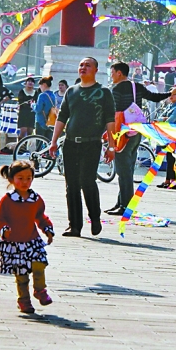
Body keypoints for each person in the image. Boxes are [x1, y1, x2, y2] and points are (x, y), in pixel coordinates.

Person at [49, 57, 116, 237]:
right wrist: (54, 141)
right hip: (70, 143)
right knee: (71, 185)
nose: (83, 67)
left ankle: (95, 217)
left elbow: (111, 121)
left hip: (92, 143)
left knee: (87, 182)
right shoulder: (71, 91)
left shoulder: (104, 92)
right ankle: (75, 226)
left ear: (95, 69)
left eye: (87, 65)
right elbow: (62, 118)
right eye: (81, 65)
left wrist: (111, 146)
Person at [108, 62, 172, 216]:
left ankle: (126, 206)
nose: (111, 75)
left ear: (119, 73)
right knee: (128, 168)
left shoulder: (116, 89)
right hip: (136, 130)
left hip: (123, 132)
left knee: (123, 170)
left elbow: (112, 110)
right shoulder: (137, 87)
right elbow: (154, 98)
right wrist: (170, 93)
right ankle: (121, 202)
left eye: (113, 72)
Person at [0, 160, 54, 314]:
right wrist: (4, 229)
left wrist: (47, 229)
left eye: (28, 178)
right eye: (20, 178)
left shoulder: (35, 199)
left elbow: (40, 216)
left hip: (32, 240)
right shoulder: (7, 200)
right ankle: (24, 301)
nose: (25, 182)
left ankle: (40, 290)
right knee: (21, 275)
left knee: (39, 265)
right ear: (11, 179)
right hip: (14, 243)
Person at [157, 88, 176, 189]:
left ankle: (172, 181)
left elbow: (169, 121)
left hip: (173, 136)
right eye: (171, 94)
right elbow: (160, 117)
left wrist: (163, 119)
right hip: (166, 135)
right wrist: (162, 119)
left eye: (174, 94)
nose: (171, 96)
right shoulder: (169, 106)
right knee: (169, 158)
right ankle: (168, 180)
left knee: (171, 159)